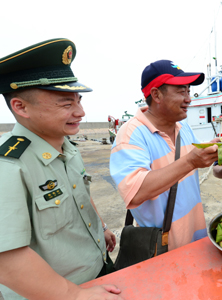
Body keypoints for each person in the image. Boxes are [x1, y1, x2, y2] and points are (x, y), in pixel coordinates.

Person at [0, 39, 122, 299]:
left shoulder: (67, 146)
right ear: (21, 107)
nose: (80, 112)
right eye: (66, 104)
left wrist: (101, 228)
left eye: (78, 100)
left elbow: (80, 192)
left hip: (97, 272)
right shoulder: (8, 165)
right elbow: (7, 260)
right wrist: (76, 295)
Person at [109, 60, 218, 251]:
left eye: (188, 91)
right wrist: (192, 161)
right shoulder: (131, 134)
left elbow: (192, 161)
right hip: (162, 249)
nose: (189, 99)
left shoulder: (184, 127)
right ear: (156, 95)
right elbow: (135, 193)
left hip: (196, 238)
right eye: (181, 91)